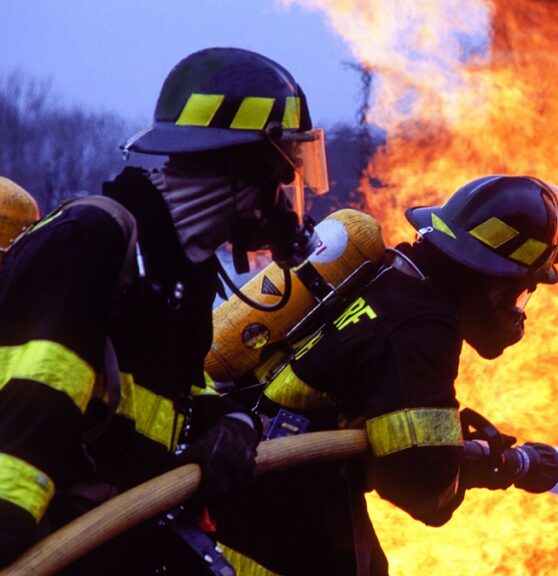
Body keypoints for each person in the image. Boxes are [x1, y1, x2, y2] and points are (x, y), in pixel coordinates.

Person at [0, 47, 328, 571]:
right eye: (284, 173)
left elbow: (175, 400)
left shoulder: (177, 272)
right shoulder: (94, 238)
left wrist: (236, 422)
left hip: (121, 524)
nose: (285, 201)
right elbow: (31, 402)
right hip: (55, 539)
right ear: (243, 169)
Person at [212, 174, 558, 575]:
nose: (518, 309)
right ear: (493, 278)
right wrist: (477, 466)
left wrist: (453, 447)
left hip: (248, 478)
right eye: (522, 292)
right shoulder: (420, 328)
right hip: (271, 511)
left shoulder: (391, 280)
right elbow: (424, 488)